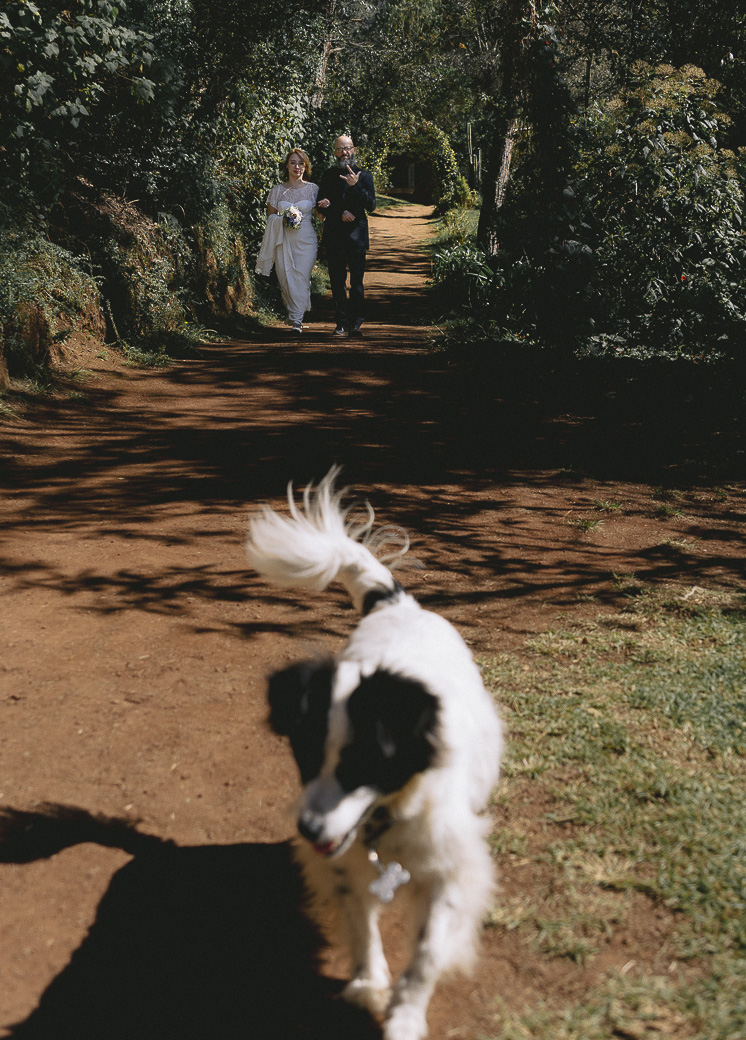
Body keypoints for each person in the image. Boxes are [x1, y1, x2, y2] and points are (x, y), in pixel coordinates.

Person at [315, 134, 376, 338]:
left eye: (348, 148)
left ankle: (356, 323)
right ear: (334, 152)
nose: (344, 153)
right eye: (340, 149)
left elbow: (372, 206)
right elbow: (321, 206)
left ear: (354, 150)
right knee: (337, 281)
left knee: (357, 282)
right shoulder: (328, 175)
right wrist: (340, 212)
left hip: (357, 237)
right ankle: (341, 323)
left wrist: (355, 186)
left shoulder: (365, 176)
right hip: (334, 235)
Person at [256, 148, 319, 334]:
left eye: (301, 163)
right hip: (283, 241)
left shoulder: (313, 189)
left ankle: (297, 321)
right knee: (285, 277)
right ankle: (294, 313)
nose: (297, 166)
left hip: (306, 241)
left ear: (305, 166)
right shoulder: (277, 191)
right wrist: (283, 219)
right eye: (293, 162)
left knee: (300, 277)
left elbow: (321, 217)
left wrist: (327, 206)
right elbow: (270, 218)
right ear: (287, 165)